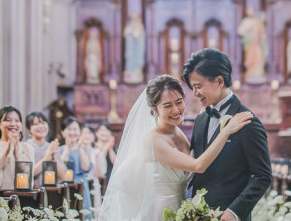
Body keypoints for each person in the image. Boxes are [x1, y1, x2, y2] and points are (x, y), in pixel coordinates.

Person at [99, 73, 255, 220]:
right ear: (154, 109)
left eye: (179, 102)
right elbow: (197, 165)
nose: (175, 110)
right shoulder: (153, 140)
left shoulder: (178, 132)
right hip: (161, 211)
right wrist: (226, 131)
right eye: (167, 106)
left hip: (184, 209)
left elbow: (201, 156)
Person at [187, 49, 272, 221]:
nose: (195, 93)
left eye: (198, 86)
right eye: (193, 87)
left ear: (219, 81)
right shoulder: (201, 119)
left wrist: (234, 212)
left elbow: (263, 176)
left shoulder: (248, 121)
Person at [0, 106, 35, 191]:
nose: (13, 124)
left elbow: (28, 179)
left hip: (21, 196)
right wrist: (6, 152)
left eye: (17, 120)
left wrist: (16, 154)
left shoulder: (27, 148)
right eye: (8, 120)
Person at [59, 117, 93, 217]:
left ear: (79, 132)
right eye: (69, 129)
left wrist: (79, 147)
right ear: (62, 132)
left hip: (81, 187)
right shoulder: (59, 150)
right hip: (65, 187)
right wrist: (68, 148)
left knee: (83, 214)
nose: (72, 132)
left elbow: (86, 167)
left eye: (75, 129)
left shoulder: (85, 149)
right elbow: (60, 168)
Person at [25, 112, 64, 186]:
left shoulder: (52, 147)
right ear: (29, 129)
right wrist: (46, 159)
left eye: (43, 123)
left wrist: (53, 157)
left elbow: (62, 176)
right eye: (35, 124)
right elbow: (25, 175)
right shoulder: (25, 146)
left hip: (51, 192)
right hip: (32, 193)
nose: (40, 126)